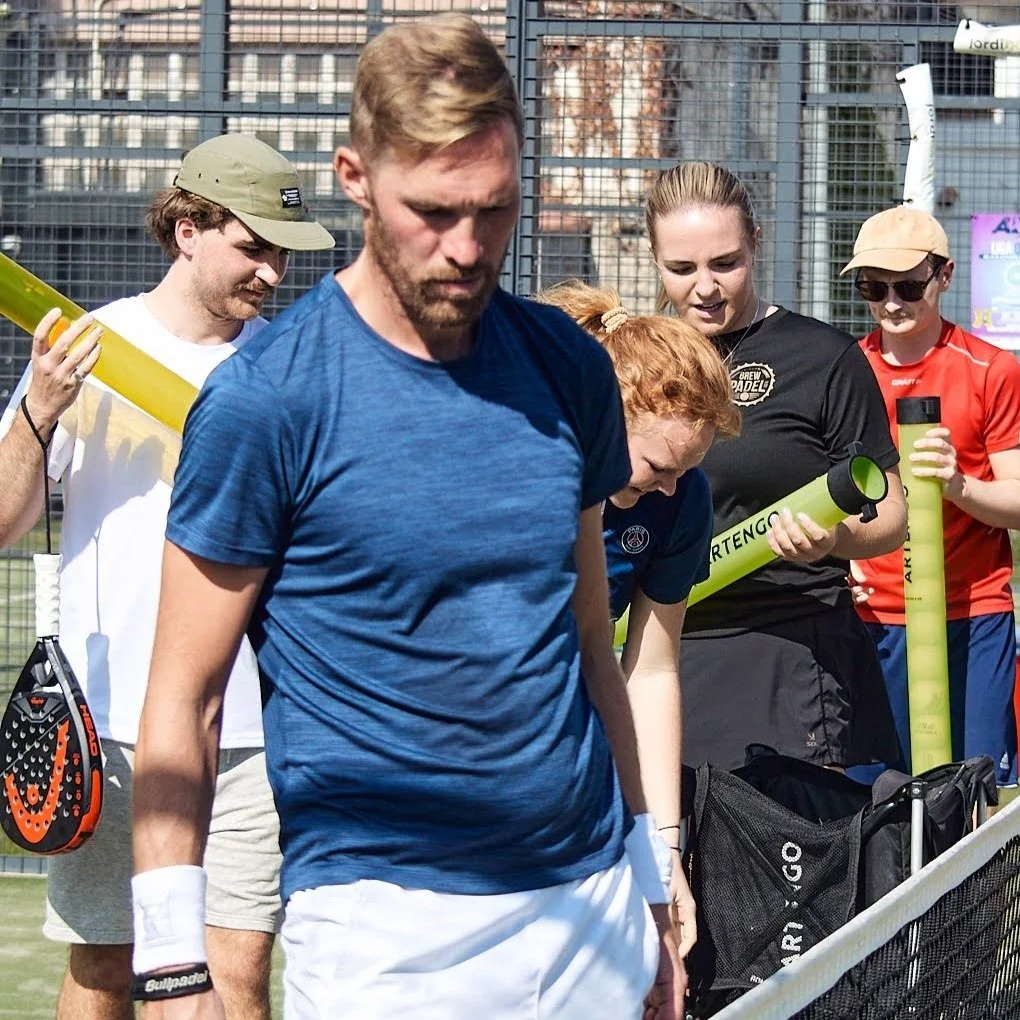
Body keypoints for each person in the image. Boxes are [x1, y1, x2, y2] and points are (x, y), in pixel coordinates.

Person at [129, 16, 682, 1020]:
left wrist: (648, 882)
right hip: (384, 931)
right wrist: (171, 962)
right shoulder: (267, 399)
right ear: (353, 176)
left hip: (590, 897)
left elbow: (591, 645)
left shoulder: (566, 367)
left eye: (496, 210)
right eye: (432, 211)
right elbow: (184, 697)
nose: (467, 249)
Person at [0, 134, 334, 1020]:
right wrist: (38, 411)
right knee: (107, 970)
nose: (270, 273)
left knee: (232, 978)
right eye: (251, 246)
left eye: (280, 253)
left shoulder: (294, 369)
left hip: (258, 724)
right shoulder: (87, 349)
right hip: (109, 722)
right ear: (187, 228)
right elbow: (2, 523)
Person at [643, 161, 906, 773]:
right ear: (654, 260)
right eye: (680, 269)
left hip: (792, 644)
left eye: (724, 263)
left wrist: (833, 539)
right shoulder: (638, 362)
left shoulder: (824, 359)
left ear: (756, 242)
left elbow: (893, 516)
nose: (704, 288)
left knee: (793, 855)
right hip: (663, 640)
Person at [538, 280, 741, 957]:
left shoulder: (681, 501)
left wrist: (663, 852)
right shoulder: (524, 464)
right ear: (606, 412)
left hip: (580, 766)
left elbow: (650, 672)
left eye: (688, 470)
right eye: (657, 465)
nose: (671, 487)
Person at [841, 206, 1020, 788]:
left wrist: (958, 484)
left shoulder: (991, 370)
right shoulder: (848, 370)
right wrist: (839, 560)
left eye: (908, 285)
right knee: (869, 801)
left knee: (972, 801)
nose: (892, 303)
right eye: (873, 288)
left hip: (972, 613)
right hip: (873, 616)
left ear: (944, 276)